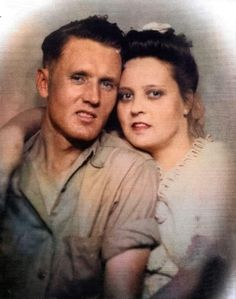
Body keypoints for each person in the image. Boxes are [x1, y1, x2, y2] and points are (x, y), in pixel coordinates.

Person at [0, 16, 161, 299]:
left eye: (108, 84)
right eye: (78, 78)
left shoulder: (130, 172)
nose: (93, 97)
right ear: (44, 83)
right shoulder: (10, 158)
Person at [116, 23, 235, 298]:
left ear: (187, 102)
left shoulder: (219, 165)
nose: (136, 108)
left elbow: (199, 275)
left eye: (154, 93)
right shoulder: (115, 161)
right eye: (126, 96)